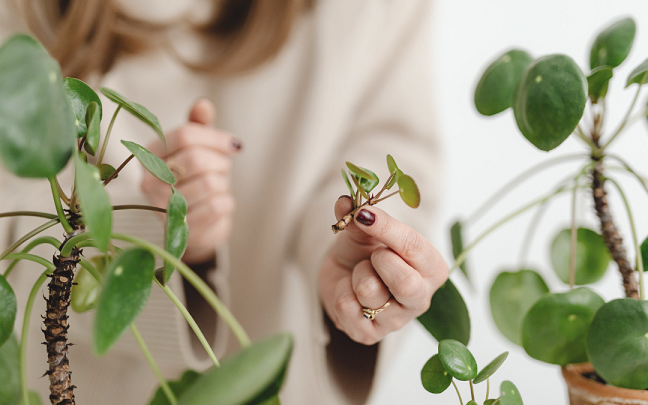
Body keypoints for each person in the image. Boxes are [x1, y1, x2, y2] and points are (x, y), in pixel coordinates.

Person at [0, 0, 447, 404]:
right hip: (77, 381)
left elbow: (386, 142)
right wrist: (156, 237)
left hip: (280, 369)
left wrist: (363, 256)